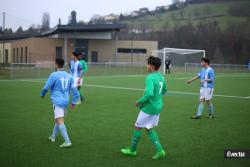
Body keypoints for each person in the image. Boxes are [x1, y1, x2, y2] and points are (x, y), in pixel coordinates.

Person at [121, 56, 167, 160]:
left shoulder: (150, 77)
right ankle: (160, 151)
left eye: (148, 64)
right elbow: (165, 90)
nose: (147, 66)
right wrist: (157, 98)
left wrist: (139, 101)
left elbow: (149, 93)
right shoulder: (160, 76)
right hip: (158, 106)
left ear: (152, 66)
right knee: (148, 128)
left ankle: (132, 150)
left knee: (137, 126)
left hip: (150, 108)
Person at [40, 58, 80, 148]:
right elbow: (75, 91)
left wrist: (42, 94)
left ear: (56, 65)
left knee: (60, 121)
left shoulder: (53, 75)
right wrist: (74, 102)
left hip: (57, 101)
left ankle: (67, 141)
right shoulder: (70, 76)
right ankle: (53, 137)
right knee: (57, 119)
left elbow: (46, 87)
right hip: (65, 101)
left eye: (55, 64)